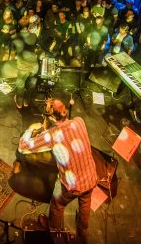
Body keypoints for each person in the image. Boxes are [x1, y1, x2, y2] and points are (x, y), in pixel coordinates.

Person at [18, 99, 97, 242]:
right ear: (65, 109)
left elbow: (23, 147)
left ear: (52, 117)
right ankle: (82, 234)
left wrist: (30, 129)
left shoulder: (52, 135)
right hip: (91, 177)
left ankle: (53, 229)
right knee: (85, 203)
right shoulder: (79, 121)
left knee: (58, 204)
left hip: (72, 186)